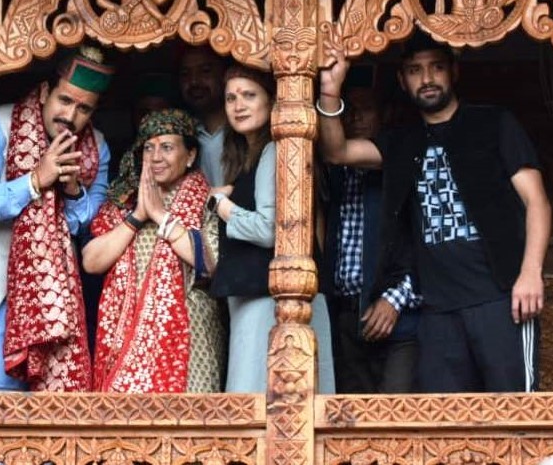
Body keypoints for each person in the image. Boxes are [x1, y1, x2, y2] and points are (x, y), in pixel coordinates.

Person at [317, 32, 550, 393]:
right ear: (402, 80)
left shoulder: (494, 124)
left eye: (436, 68)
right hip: (436, 311)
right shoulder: (402, 141)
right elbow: (337, 152)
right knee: (443, 424)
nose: (426, 79)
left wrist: (530, 273)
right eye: (414, 70)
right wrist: (331, 92)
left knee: (516, 414)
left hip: (501, 299)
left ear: (453, 72)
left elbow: (537, 202)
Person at [0, 46, 112, 391]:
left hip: (58, 311)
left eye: (83, 108)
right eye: (65, 100)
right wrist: (35, 180)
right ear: (47, 91)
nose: (71, 115)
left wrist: (73, 188)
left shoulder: (97, 146)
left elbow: (91, 223)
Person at [206, 65, 334, 393]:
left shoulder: (275, 149)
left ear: (273, 101)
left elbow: (267, 230)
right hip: (261, 298)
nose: (238, 105)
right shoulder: (249, 156)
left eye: (249, 95)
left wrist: (223, 207)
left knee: (261, 400)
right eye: (231, 98)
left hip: (272, 302)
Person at [84, 109, 222, 392]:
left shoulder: (206, 202)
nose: (156, 157)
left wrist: (161, 216)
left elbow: (210, 263)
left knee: (191, 430)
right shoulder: (121, 204)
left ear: (191, 155)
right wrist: (136, 217)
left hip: (189, 346)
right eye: (149, 148)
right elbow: (91, 262)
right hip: (123, 348)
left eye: (167, 147)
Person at [319, 68, 420, 394]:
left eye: (366, 109)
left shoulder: (403, 168)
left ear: (385, 114)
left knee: (396, 417)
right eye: (349, 109)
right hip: (346, 316)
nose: (356, 117)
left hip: (399, 315)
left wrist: (393, 299)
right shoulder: (334, 174)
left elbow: (428, 243)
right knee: (349, 422)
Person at [178, 46, 228, 187]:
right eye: (185, 74)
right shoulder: (182, 135)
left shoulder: (246, 131)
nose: (194, 81)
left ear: (223, 75)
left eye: (205, 71)